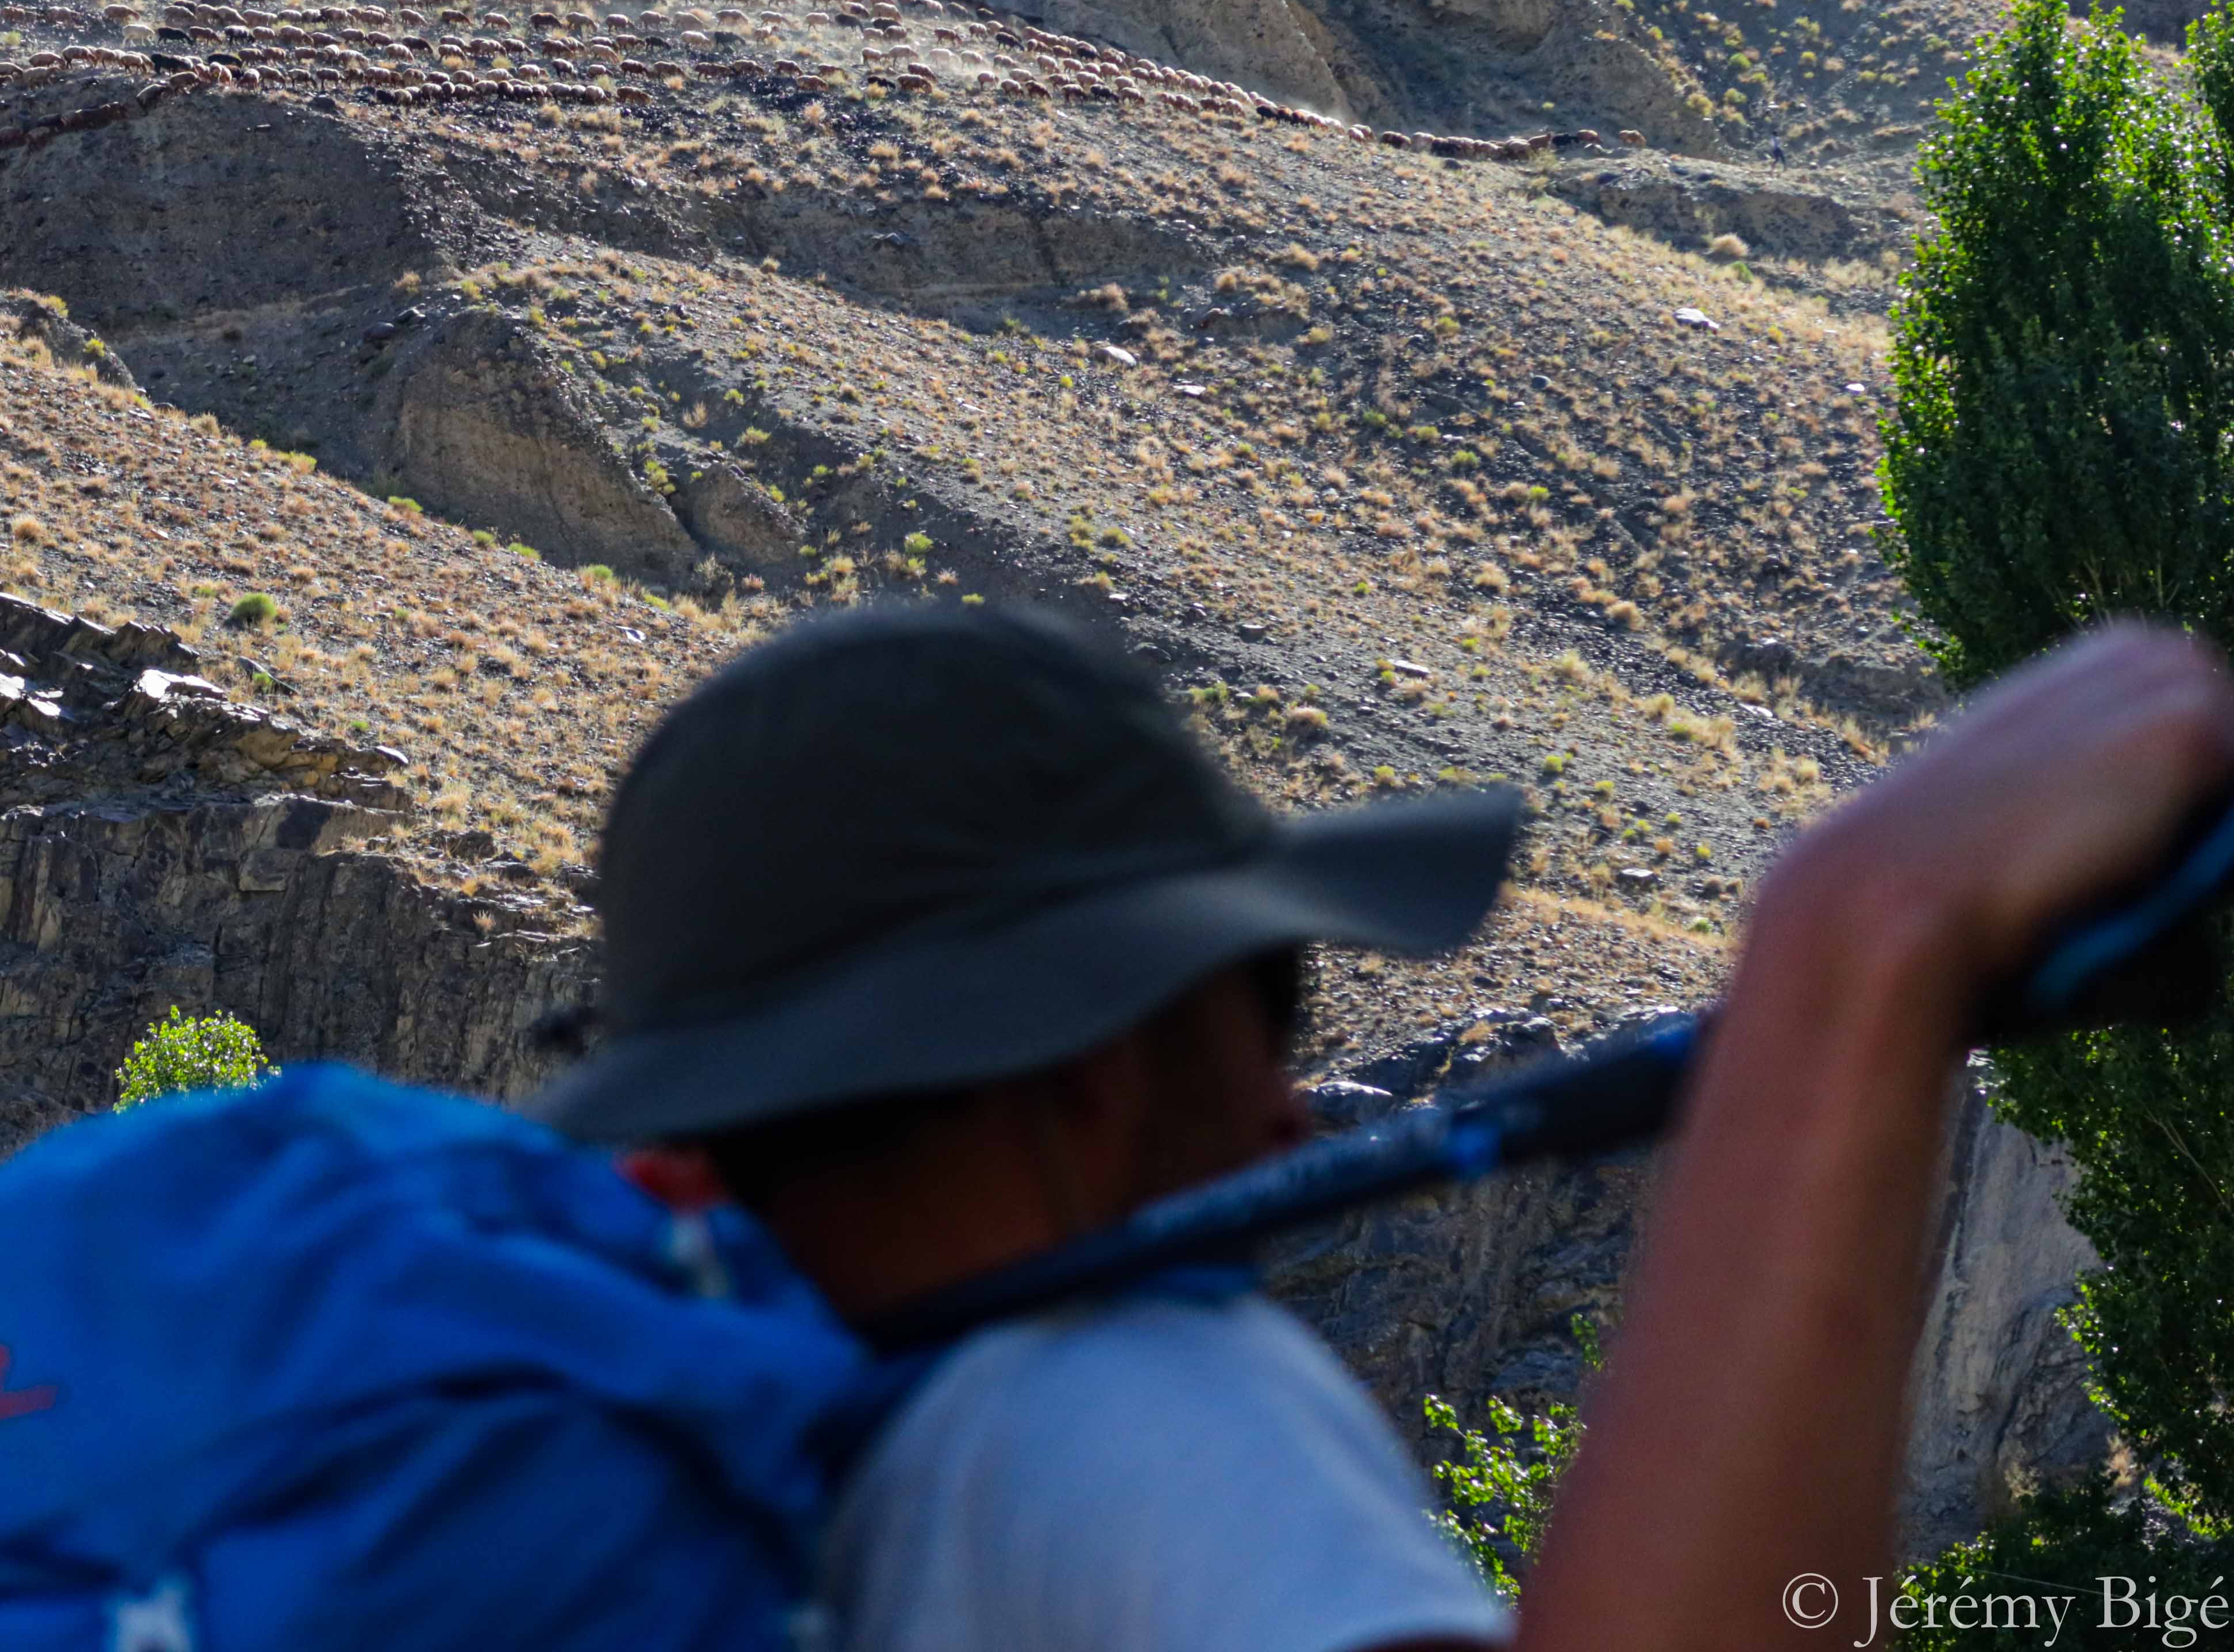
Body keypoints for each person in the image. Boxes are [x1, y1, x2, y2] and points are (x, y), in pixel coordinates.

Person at [530, 605, 2234, 1652]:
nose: (1288, 1111)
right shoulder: (1105, 1408)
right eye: (1264, 1010)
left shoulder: (608, 1462)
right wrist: (1855, 961)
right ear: (1089, 1058)